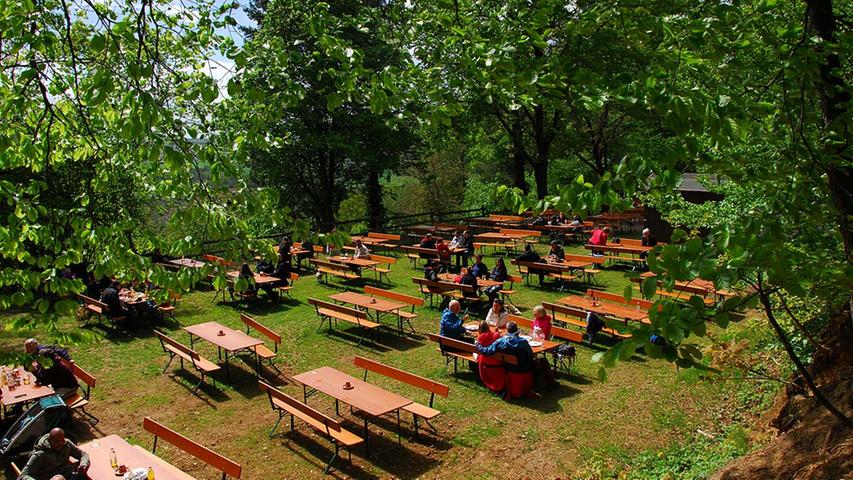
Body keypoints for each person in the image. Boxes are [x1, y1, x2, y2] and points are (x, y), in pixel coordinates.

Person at [476, 322, 535, 399]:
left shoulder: (500, 341)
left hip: (509, 367)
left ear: (507, 330)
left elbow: (487, 351)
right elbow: (530, 355)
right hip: (524, 367)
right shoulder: (523, 342)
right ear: (517, 330)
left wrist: (478, 345)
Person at [17, 428, 90, 480]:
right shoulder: (40, 455)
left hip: (68, 475)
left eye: (62, 440)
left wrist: (84, 464)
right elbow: (23, 476)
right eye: (56, 441)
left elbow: (83, 454)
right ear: (49, 440)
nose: (60, 444)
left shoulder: (67, 444)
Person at [475, 321, 505, 394]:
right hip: (496, 360)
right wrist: (496, 332)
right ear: (488, 328)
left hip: (484, 361)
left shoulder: (479, 338)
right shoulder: (496, 336)